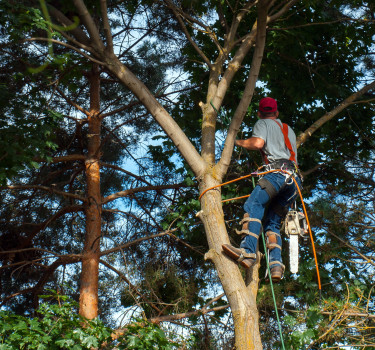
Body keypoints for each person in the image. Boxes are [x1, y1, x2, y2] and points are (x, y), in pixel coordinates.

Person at [222, 97, 302, 282]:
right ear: (277, 113)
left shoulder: (262, 123)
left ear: (259, 113)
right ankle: (276, 266)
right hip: (294, 181)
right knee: (273, 223)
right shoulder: (288, 129)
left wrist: (239, 142)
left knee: (254, 204)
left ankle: (248, 252)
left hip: (277, 174)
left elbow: (258, 143)